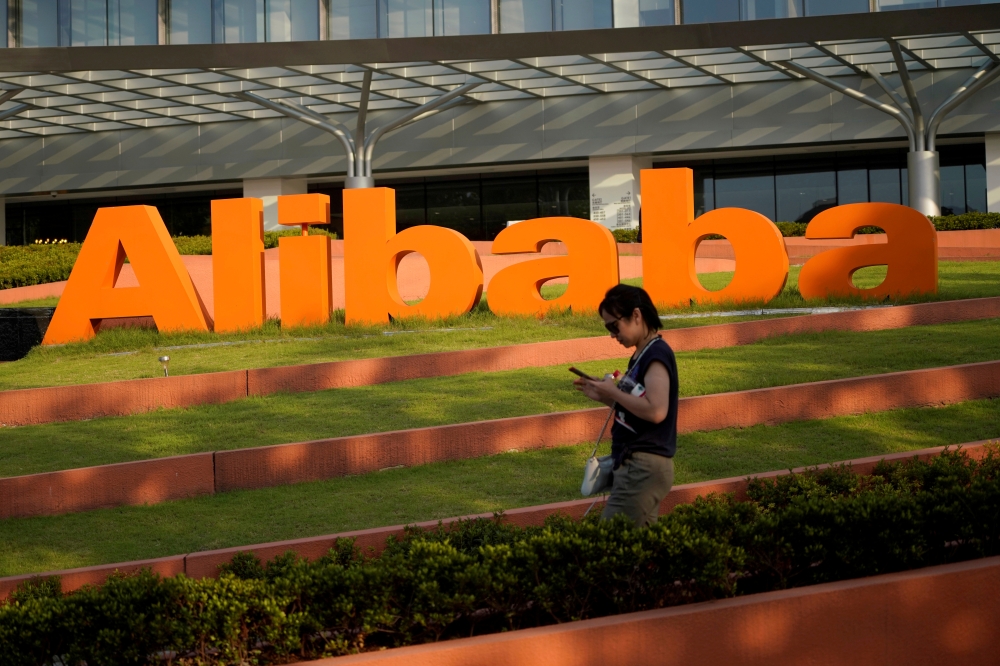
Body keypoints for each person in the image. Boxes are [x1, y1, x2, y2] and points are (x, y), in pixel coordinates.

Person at [573, 284, 678, 527]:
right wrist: (605, 396)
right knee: (637, 557)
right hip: (637, 466)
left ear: (637, 315)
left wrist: (613, 392)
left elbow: (656, 411)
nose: (612, 334)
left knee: (610, 546)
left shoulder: (656, 354)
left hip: (642, 468)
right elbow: (637, 410)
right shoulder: (642, 355)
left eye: (614, 326)